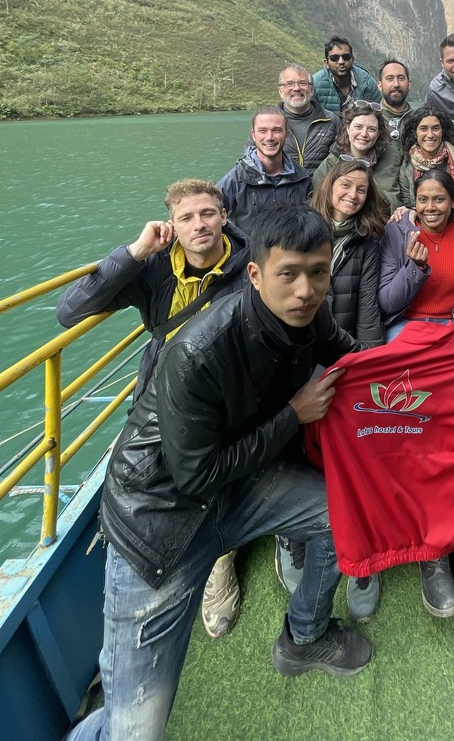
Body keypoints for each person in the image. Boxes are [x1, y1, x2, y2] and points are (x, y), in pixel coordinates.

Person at [67, 204, 371, 741]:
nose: (305, 291)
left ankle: (304, 636)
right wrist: (292, 415)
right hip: (161, 521)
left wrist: (429, 367)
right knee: (135, 729)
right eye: (288, 274)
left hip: (238, 484)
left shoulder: (311, 315)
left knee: (340, 515)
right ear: (254, 274)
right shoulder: (197, 352)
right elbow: (195, 475)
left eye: (318, 273)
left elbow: (353, 358)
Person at [56, 179, 251, 642]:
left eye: (207, 213)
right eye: (187, 218)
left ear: (224, 216)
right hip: (164, 392)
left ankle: (221, 558)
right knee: (157, 470)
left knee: (222, 466)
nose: (199, 224)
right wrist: (135, 252)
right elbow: (70, 310)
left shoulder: (250, 266)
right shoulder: (156, 268)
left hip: (230, 390)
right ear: (172, 225)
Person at [378, 168, 454, 622]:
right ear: (414, 201)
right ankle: (431, 547)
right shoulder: (397, 233)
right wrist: (415, 268)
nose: (431, 208)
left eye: (439, 199)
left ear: (453, 202)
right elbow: (389, 303)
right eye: (423, 199)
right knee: (411, 430)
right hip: (408, 332)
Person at [309, 160, 388, 618]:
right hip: (301, 355)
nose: (353, 195)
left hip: (345, 351)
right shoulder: (304, 227)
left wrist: (365, 365)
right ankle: (296, 540)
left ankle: (364, 551)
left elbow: (367, 308)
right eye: (346, 185)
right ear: (329, 185)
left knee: (359, 445)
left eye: (361, 189)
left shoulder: (367, 239)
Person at [217, 107, 311, 232]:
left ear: (286, 135)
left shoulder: (301, 178)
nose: (269, 137)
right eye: (263, 131)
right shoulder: (236, 178)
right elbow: (211, 215)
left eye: (276, 130)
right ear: (253, 135)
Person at [312, 101, 401, 212]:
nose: (364, 134)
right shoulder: (329, 165)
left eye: (371, 129)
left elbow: (401, 201)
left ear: (378, 134)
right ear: (348, 128)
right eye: (358, 127)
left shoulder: (393, 158)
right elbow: (320, 205)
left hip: (382, 220)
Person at [397, 104, 454, 211]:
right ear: (414, 133)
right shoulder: (408, 165)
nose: (430, 135)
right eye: (423, 129)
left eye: (435, 128)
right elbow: (409, 206)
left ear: (442, 131)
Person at [278, 64, 340, 173]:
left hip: (322, 184)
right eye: (289, 84)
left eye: (302, 83)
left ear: (311, 89)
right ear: (281, 91)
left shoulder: (331, 120)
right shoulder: (267, 122)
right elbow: (252, 161)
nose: (296, 88)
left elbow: (343, 160)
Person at [312, 35, 380, 114]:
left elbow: (380, 113)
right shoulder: (315, 84)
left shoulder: (368, 83)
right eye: (334, 58)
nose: (341, 62)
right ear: (326, 63)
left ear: (352, 60)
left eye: (346, 57)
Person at [377, 58, 413, 144]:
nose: (396, 84)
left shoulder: (419, 120)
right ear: (380, 86)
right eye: (390, 79)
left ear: (409, 84)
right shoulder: (371, 120)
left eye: (401, 78)